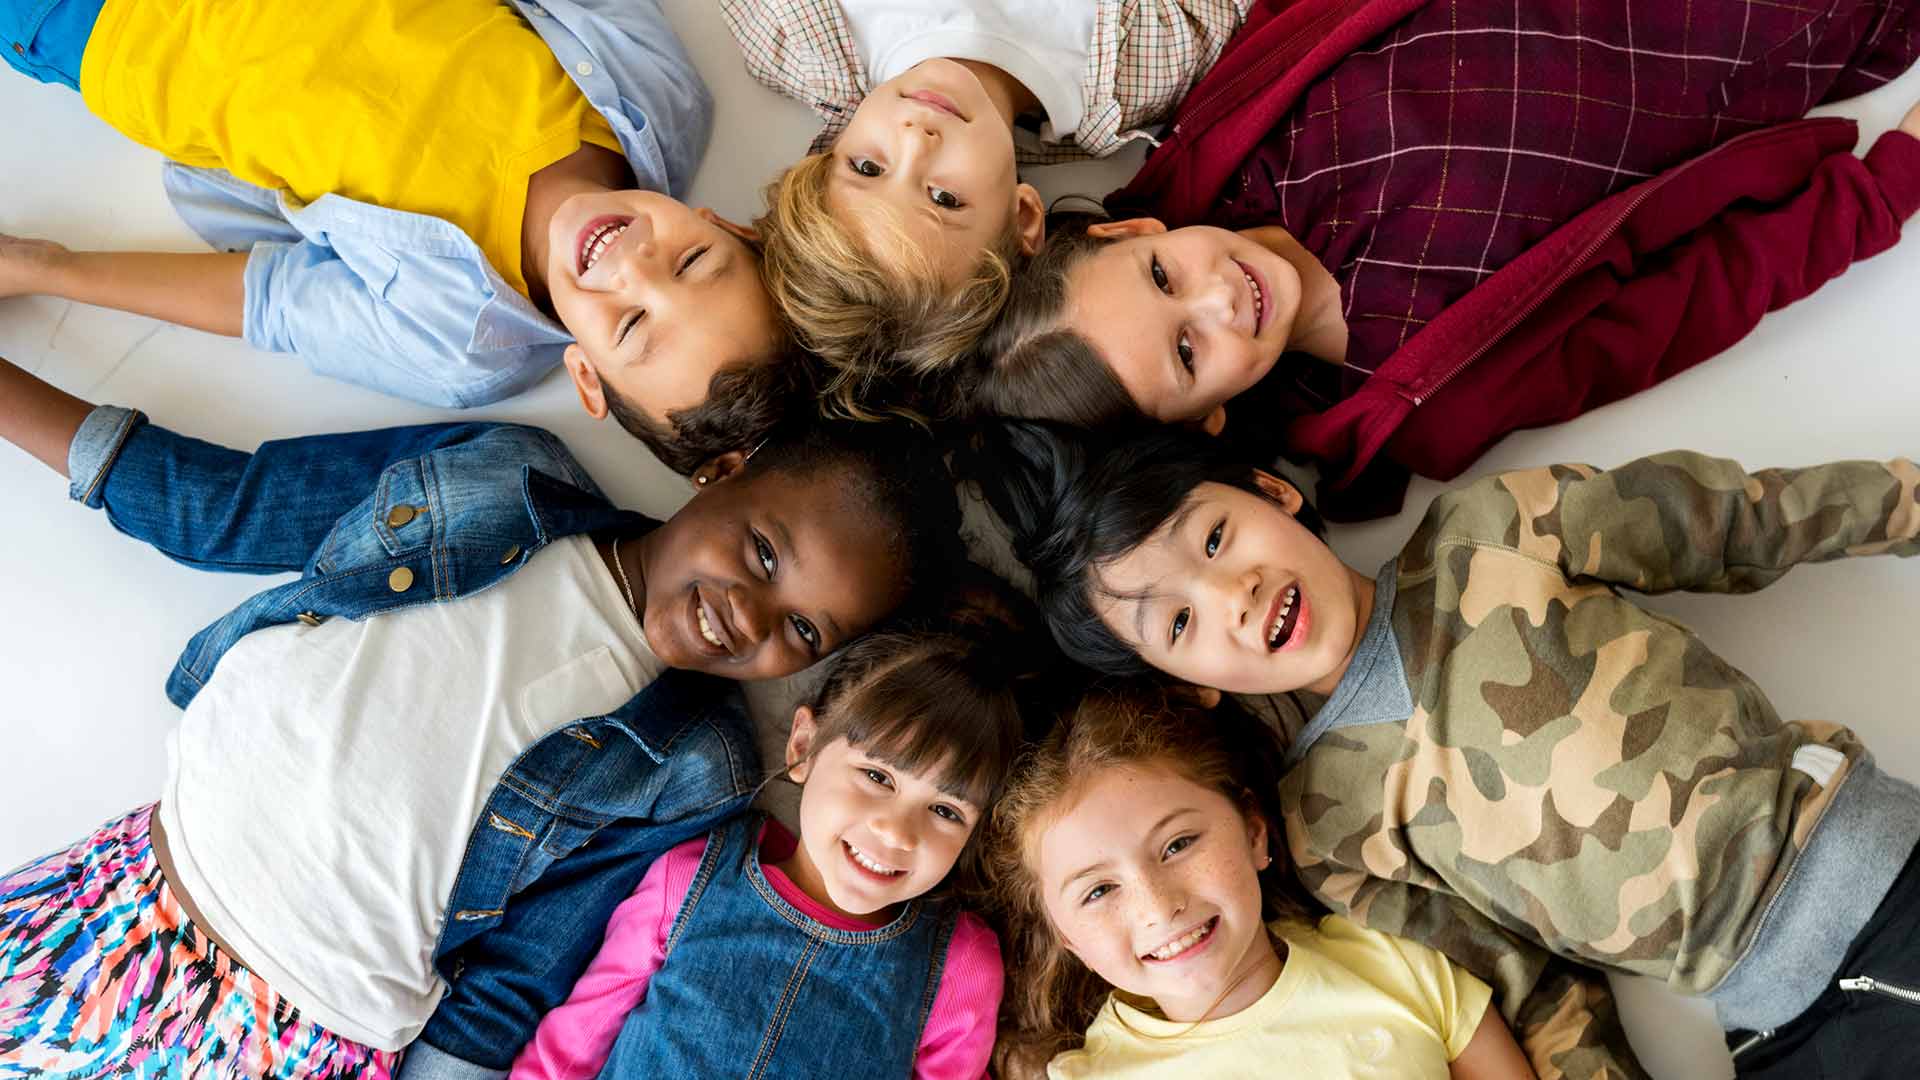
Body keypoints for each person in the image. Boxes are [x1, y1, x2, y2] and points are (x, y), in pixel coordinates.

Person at [0, 352, 967, 1078]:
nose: (751, 616)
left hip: (296, 1029)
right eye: (762, 552)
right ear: (722, 470)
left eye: (802, 628)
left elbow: (522, 971)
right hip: (119, 889)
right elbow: (232, 508)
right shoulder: (500, 476)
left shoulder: (695, 762)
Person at [980, 419, 1920, 1078]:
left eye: (1217, 538)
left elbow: (1737, 519)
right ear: (1188, 684)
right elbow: (1527, 984)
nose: (1232, 595)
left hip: (1872, 879)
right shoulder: (1327, 826)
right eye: (1180, 623)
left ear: (1273, 491)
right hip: (1769, 1017)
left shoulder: (1492, 531)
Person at [978, 0, 1920, 518]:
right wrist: (1887, 190)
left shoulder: (1239, 123)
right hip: (1799, 27)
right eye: (1189, 353)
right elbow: (1692, 302)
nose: (1219, 298)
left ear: (1131, 233)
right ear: (1207, 418)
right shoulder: (1427, 394)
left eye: (1164, 278)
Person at [0, 0, 797, 474]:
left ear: (586, 376)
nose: (634, 266)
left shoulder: (458, 346)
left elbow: (267, 300)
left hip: (119, 27)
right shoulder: (661, 95)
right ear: (725, 224)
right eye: (694, 262)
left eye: (630, 326)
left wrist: (46, 268)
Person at [513, 598, 1044, 1079]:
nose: (896, 831)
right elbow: (568, 1050)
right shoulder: (690, 878)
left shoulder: (959, 965)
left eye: (946, 811)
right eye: (877, 777)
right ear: (804, 746)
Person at [721, 0, 1248, 421]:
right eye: (944, 200)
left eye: (867, 167)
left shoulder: (796, 36)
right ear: (1023, 218)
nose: (916, 139)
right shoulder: (1148, 61)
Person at [986, 683, 1535, 1079]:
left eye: (1178, 845)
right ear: (1067, 938)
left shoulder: (1398, 964)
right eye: (1099, 891)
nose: (1158, 907)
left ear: (1253, 832)